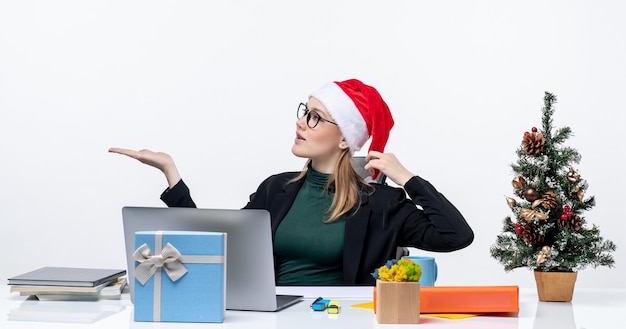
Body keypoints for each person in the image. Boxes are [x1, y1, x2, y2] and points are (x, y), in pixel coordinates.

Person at [110, 79, 473, 285]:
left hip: (343, 319)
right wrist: (171, 173)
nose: (301, 123)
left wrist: (407, 178)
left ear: (345, 137)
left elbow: (456, 235)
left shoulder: (381, 203)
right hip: (273, 316)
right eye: (305, 112)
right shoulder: (277, 189)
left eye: (316, 118)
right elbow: (219, 246)